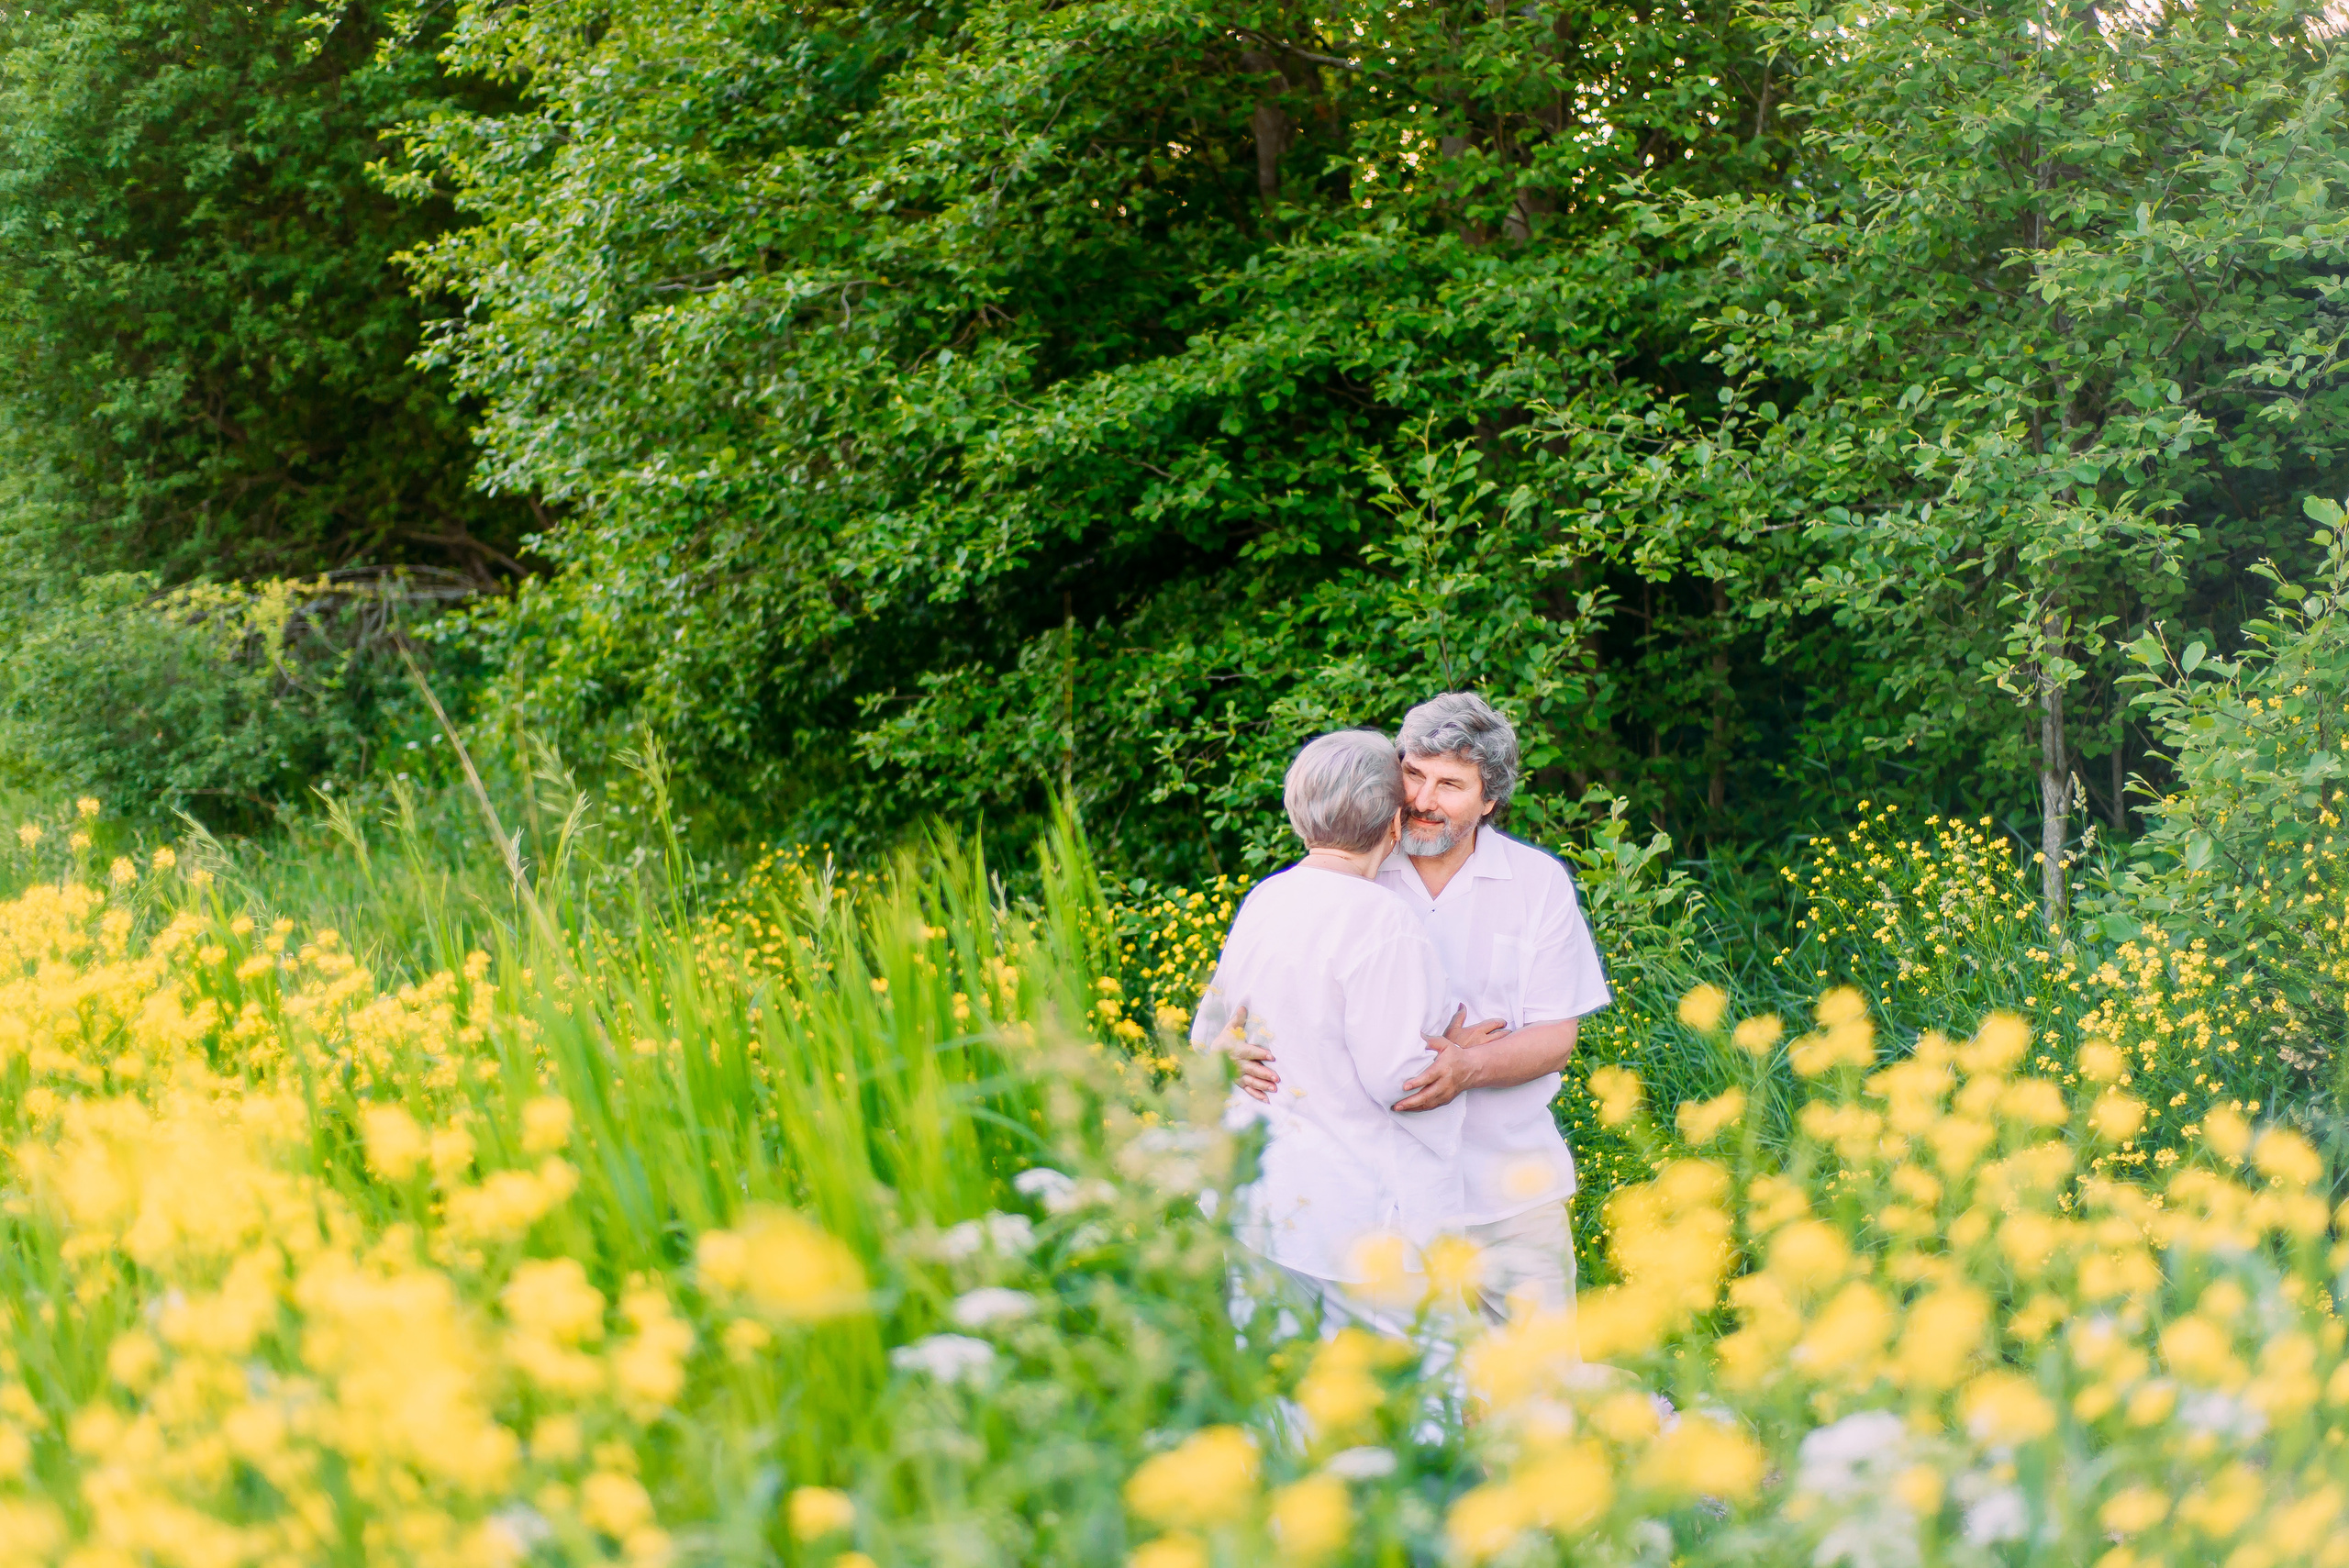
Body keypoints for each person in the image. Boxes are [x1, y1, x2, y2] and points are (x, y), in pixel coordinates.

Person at [1230, 694, 1610, 1324]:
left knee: (1541, 1400)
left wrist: (1467, 1065)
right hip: (1379, 1207)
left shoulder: (1537, 883)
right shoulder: (1355, 867)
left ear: (1490, 799)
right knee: (1417, 1409)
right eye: (1414, 774)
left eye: (1451, 784)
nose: (1424, 798)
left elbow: (1556, 1038)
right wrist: (1223, 1046)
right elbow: (1251, 991)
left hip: (1510, 1193)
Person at [1193, 728, 1464, 1337]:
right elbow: (1398, 1080)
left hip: (1258, 1195)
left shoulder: (1268, 896)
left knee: (1278, 1388)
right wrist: (1460, 1056)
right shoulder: (1385, 921)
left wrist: (1224, 1054)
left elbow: (1210, 1030)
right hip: (1351, 1216)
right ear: (1394, 826)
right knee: (1407, 1399)